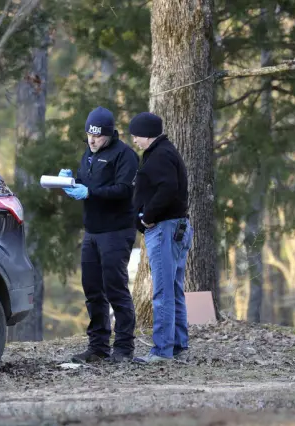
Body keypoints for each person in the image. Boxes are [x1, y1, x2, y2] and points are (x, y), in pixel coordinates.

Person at [59, 106, 140, 363]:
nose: (92, 140)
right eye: (89, 135)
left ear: (110, 134)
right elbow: (87, 182)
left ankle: (124, 349)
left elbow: (123, 190)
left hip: (116, 231)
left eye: (97, 136)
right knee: (92, 290)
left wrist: (90, 193)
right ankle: (98, 347)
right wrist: (70, 182)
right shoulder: (89, 153)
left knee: (115, 289)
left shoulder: (125, 155)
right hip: (92, 231)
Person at [128, 112, 193, 364]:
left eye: (136, 135)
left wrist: (147, 216)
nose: (134, 139)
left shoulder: (161, 155)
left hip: (165, 229)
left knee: (163, 291)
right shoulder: (165, 152)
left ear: (147, 134)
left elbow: (167, 188)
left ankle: (162, 350)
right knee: (174, 288)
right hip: (175, 227)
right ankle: (177, 343)